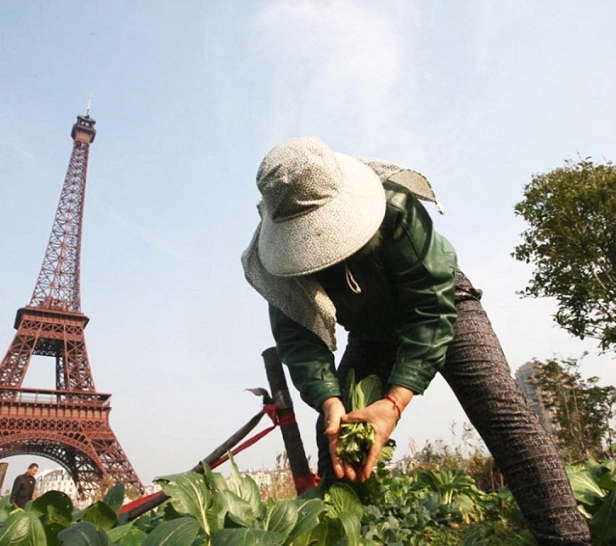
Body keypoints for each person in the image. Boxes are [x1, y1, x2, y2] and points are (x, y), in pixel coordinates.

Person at [242, 137, 591, 545]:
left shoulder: (393, 206)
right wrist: (330, 400)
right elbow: (299, 340)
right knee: (334, 436)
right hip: (371, 333)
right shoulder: (275, 263)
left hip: (442, 306)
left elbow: (429, 303)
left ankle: (567, 539)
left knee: (502, 412)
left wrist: (394, 403)